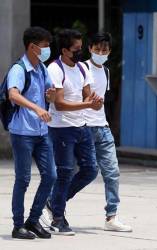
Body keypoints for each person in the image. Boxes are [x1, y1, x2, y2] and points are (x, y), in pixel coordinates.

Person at [46, 29, 102, 235]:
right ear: (64, 51)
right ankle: (58, 218)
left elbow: (89, 97)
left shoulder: (81, 68)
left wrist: (95, 103)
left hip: (82, 126)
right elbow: (59, 104)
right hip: (61, 128)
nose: (80, 52)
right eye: (76, 49)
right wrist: (86, 105)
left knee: (90, 170)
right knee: (65, 172)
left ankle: (54, 201)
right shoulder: (55, 69)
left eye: (80, 48)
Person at [7, 26, 57, 239]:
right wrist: (37, 108)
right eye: (45, 46)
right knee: (23, 179)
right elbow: (13, 95)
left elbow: (49, 96)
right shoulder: (18, 69)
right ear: (32, 47)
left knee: (50, 176)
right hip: (22, 133)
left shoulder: (42, 68)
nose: (47, 50)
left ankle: (33, 220)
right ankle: (18, 225)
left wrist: (51, 96)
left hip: (41, 132)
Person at [84, 32, 132, 232]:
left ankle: (111, 217)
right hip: (83, 128)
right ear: (90, 49)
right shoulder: (81, 69)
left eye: (104, 50)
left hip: (102, 128)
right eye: (97, 49)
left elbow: (103, 101)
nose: (101, 53)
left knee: (112, 173)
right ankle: (54, 204)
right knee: (79, 172)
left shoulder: (106, 72)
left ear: (109, 51)